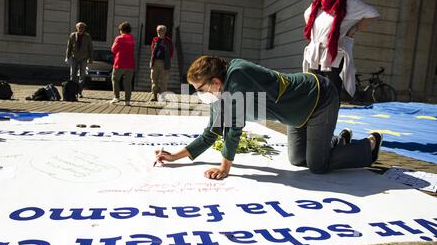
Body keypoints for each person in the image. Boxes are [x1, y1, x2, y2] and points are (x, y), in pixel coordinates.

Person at [154, 56, 383, 180]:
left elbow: (233, 129)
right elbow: (211, 132)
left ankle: (368, 146)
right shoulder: (220, 94)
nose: (199, 94)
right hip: (297, 114)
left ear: (215, 82)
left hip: (319, 98)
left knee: (318, 166)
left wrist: (224, 168)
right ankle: (338, 142)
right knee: (297, 160)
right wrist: (176, 156)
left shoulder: (238, 78)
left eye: (200, 89)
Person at [303, 0, 380, 101]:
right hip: (315, 52)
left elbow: (373, 14)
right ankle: (314, 118)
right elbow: (307, 15)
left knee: (330, 91)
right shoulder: (319, 1)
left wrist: (355, 28)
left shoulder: (350, 3)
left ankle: (329, 119)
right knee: (314, 89)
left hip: (333, 53)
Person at [110, 21, 136, 106]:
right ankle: (127, 101)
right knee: (128, 83)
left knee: (115, 79)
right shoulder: (132, 38)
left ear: (121, 30)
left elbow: (113, 49)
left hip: (120, 63)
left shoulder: (119, 38)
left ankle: (116, 97)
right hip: (130, 64)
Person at [65, 22, 93, 98]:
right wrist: (67, 57)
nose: (81, 29)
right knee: (72, 75)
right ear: (76, 28)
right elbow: (69, 47)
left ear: (84, 29)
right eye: (79, 27)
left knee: (82, 75)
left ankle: (79, 91)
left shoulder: (87, 36)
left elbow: (90, 48)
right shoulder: (72, 35)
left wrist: (90, 58)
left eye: (82, 28)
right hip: (74, 57)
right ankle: (73, 91)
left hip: (84, 58)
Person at [150, 25, 173, 102]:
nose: (158, 32)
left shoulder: (168, 41)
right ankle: (154, 96)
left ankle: (162, 97)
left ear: (164, 31)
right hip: (155, 62)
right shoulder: (155, 39)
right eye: (157, 30)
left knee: (164, 81)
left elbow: (171, 52)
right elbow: (152, 49)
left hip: (164, 63)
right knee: (154, 80)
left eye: (160, 30)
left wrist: (167, 59)